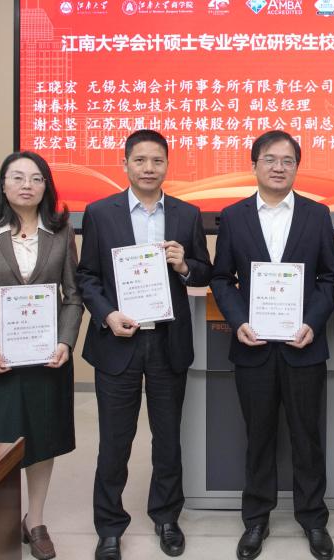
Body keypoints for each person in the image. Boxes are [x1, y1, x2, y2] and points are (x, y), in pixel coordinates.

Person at [76, 130, 212, 560]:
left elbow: (205, 271)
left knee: (168, 439)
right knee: (114, 441)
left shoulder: (187, 214)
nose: (149, 168)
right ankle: (109, 526)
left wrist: (185, 265)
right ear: (125, 164)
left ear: (167, 165)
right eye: (140, 160)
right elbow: (87, 277)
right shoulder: (100, 213)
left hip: (168, 341)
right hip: (119, 340)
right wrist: (107, 314)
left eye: (157, 161)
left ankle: (167, 517)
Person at [210, 130, 334, 560]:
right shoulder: (234, 216)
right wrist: (239, 321)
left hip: (304, 345)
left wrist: (312, 323)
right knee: (259, 435)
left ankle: (313, 519)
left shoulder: (317, 215)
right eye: (270, 159)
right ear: (255, 166)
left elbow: (329, 278)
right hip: (254, 346)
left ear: (297, 167)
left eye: (287, 160)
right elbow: (221, 278)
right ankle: (256, 520)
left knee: (307, 436)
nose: (279, 167)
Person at [0, 150, 82, 560]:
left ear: (46, 186)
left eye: (36, 178)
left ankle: (36, 520)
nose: (27, 185)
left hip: (48, 357)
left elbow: (73, 295)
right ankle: (4, 518)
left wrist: (65, 341)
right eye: (17, 177)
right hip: (1, 358)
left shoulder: (60, 232)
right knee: (2, 439)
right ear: (4, 184)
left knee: (43, 439)